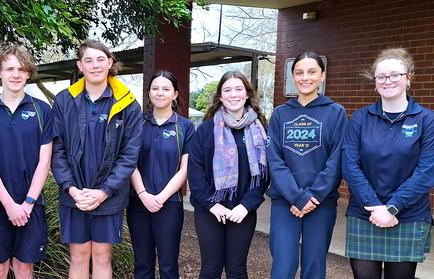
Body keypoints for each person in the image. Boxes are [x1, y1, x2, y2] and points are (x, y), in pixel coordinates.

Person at [51, 39, 142, 279]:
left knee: (102, 256)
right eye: (88, 60)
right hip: (74, 196)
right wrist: (71, 188)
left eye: (101, 59)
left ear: (110, 63)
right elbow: (56, 149)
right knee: (78, 255)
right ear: (80, 66)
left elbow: (129, 155)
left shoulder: (128, 104)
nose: (95, 65)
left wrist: (104, 191)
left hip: (109, 195)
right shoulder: (64, 100)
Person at [342, 48, 433, 279]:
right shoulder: (360, 118)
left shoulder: (427, 120)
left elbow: (427, 171)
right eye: (381, 76)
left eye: (395, 75)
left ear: (408, 78)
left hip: (409, 214)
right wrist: (375, 206)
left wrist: (392, 207)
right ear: (374, 82)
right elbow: (350, 166)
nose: (387, 81)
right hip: (366, 213)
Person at [0, 44, 54, 279]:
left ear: (28, 73)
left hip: (31, 204)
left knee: (23, 266)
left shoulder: (42, 110)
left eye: (21, 69)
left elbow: (44, 161)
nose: (15, 74)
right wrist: (9, 205)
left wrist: (27, 203)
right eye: (9, 69)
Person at [266, 51, 348, 279]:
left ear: (322, 76)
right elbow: (275, 159)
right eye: (299, 73)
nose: (305, 77)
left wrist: (312, 196)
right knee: (283, 266)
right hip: (285, 201)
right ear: (293, 77)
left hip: (320, 203)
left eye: (312, 72)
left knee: (314, 267)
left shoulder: (336, 112)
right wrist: (296, 197)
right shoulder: (280, 114)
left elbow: (336, 159)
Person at [188, 71, 269, 278]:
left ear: (247, 94)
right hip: (209, 211)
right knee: (210, 268)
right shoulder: (206, 131)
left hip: (242, 210)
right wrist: (212, 205)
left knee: (236, 269)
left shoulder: (260, 130)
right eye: (227, 90)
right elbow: (195, 172)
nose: (233, 94)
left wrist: (246, 205)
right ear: (220, 97)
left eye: (238, 89)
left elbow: (263, 173)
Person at [127, 70, 194, 279]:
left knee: (168, 266)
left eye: (166, 89)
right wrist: (143, 194)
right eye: (155, 88)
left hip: (170, 204)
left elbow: (184, 169)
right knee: (143, 265)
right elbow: (129, 162)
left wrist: (162, 197)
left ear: (175, 94)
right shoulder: (136, 123)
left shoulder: (185, 126)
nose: (160, 93)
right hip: (138, 203)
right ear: (148, 93)